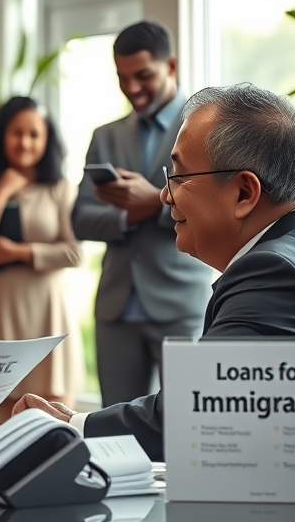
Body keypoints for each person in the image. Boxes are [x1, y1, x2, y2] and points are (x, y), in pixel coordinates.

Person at [16, 83, 295, 467]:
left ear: (244, 193)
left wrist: (71, 425)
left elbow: (195, 416)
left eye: (179, 176)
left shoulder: (277, 275)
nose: (165, 196)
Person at [73, 20, 214, 408]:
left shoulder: (206, 129)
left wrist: (154, 201)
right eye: (122, 78)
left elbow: (215, 211)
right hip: (116, 307)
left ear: (171, 66)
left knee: (188, 419)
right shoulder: (105, 136)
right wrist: (127, 216)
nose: (132, 88)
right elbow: (79, 218)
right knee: (115, 427)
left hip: (181, 303)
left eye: (143, 76)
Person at [0, 96, 84, 421]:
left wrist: (19, 252)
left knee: (54, 417)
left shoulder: (60, 188)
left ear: (47, 140)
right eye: (17, 133)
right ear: (1, 135)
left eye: (34, 134)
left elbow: (75, 252)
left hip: (47, 313)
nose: (25, 142)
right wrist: (2, 191)